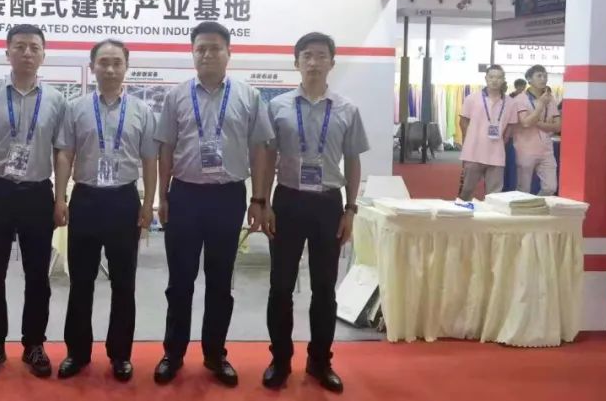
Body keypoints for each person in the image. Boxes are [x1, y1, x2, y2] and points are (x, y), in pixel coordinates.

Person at [153, 21, 273, 387]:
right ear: (192, 53)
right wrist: (163, 196)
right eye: (201, 48)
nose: (207, 54)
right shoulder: (176, 96)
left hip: (228, 197)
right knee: (180, 281)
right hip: (185, 196)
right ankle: (173, 353)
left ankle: (215, 354)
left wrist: (259, 198)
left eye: (215, 48)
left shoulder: (249, 96)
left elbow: (260, 149)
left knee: (220, 281)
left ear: (228, 53)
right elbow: (166, 149)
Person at [258, 32, 369, 394]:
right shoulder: (278, 107)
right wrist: (264, 202)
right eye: (307, 55)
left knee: (324, 288)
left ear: (332, 63)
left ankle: (320, 362)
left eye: (321, 55)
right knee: (280, 286)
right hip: (287, 202)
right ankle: (280, 360)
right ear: (296, 62)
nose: (314, 62)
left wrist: (350, 209)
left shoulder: (347, 109)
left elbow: (353, 161)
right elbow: (268, 158)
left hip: (328, 204)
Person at [0, 24, 67, 379]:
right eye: (20, 46)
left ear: (43, 55)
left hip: (37, 194)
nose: (27, 53)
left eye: (34, 47)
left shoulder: (56, 100)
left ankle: (34, 344)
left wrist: (60, 198)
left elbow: (61, 153)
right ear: (7, 52)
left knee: (38, 275)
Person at [54, 39, 158, 383]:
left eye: (117, 62)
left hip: (123, 201)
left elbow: (150, 160)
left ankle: (120, 355)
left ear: (126, 67)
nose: (110, 69)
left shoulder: (142, 111)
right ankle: (77, 352)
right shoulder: (76, 108)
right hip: (85, 199)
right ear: (92, 67)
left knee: (124, 283)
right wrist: (60, 197)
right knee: (81, 282)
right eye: (104, 62)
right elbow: (65, 154)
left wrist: (148, 203)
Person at [459, 65, 518, 201]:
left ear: (503, 80)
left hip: (496, 153)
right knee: (467, 190)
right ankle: (463, 211)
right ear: (486, 78)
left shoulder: (510, 102)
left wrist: (504, 140)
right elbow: (463, 121)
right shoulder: (472, 98)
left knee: (494, 194)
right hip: (473, 152)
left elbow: (511, 125)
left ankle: (491, 214)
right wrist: (468, 141)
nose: (495, 80)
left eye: (499, 77)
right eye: (491, 77)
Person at [513, 65, 561, 195]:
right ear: (529, 79)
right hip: (525, 149)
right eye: (539, 76)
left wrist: (537, 122)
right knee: (523, 190)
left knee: (550, 187)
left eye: (545, 76)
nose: (543, 79)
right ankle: (525, 208)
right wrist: (540, 106)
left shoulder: (550, 99)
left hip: (546, 148)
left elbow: (558, 126)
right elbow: (526, 123)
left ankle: (537, 205)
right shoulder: (520, 99)